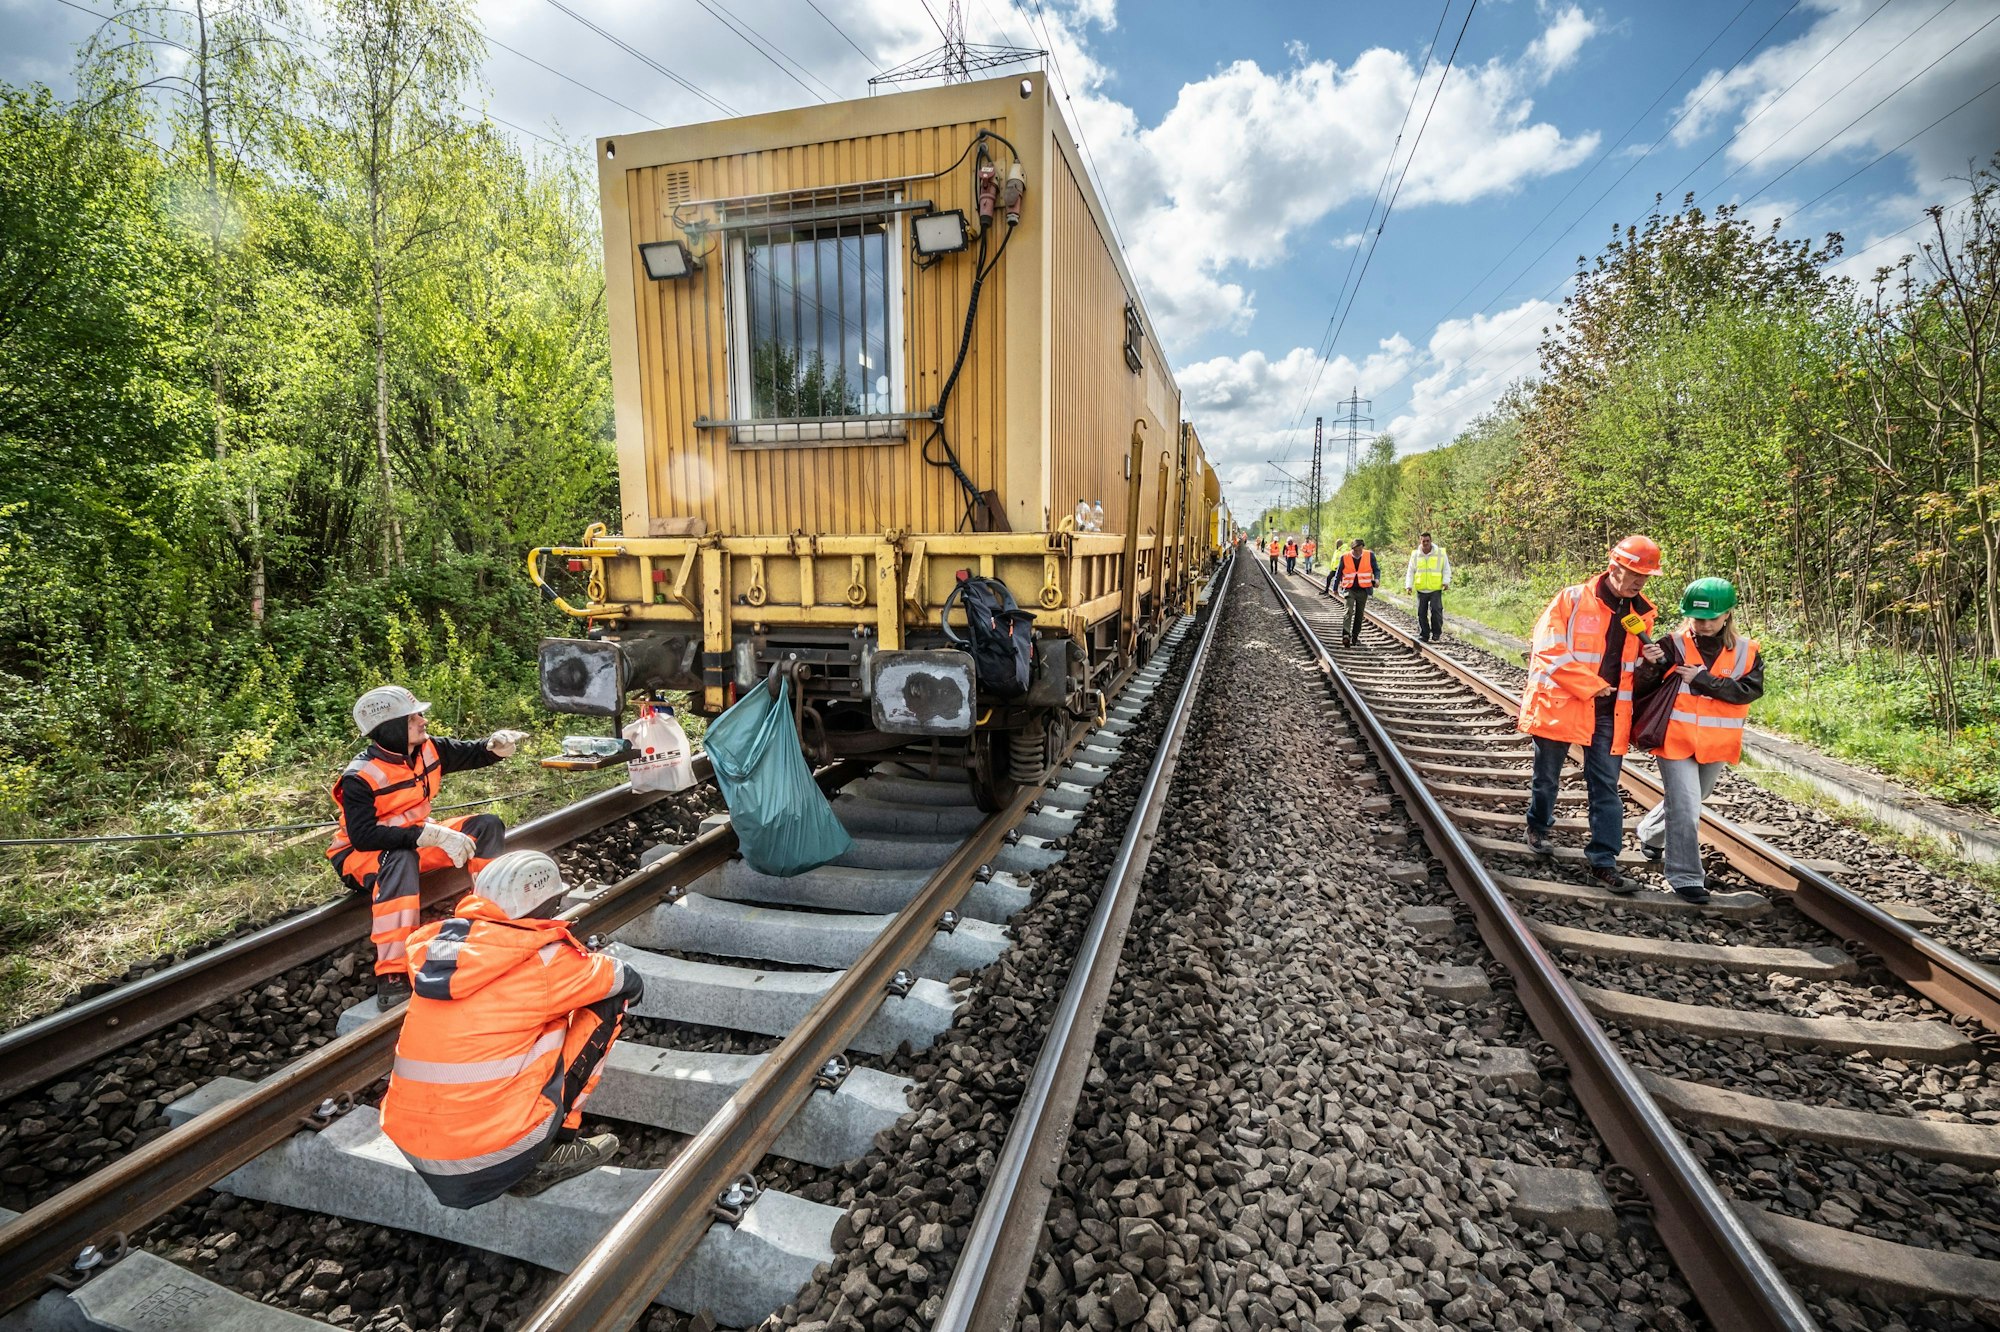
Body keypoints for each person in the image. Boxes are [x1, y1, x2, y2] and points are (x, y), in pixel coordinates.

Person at [380, 851, 643, 1207]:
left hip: (416, 1147)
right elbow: (626, 980)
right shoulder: (546, 962)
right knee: (605, 1001)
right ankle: (557, 1148)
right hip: (488, 1157)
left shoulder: (439, 952)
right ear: (548, 904)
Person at [328, 685, 528, 998]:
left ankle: (490, 920)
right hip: (360, 855)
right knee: (400, 858)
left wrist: (495, 747)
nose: (423, 721)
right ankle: (392, 971)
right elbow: (364, 836)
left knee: (486, 826)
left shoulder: (427, 750)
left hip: (417, 837)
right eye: (413, 718)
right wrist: (427, 835)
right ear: (391, 728)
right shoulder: (360, 777)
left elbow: (472, 752)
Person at [1517, 536, 1663, 894]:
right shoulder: (1571, 599)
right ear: (1614, 568)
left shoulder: (1642, 614)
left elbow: (1633, 671)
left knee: (1606, 787)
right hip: (1563, 704)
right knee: (1547, 777)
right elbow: (1548, 649)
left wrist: (1649, 664)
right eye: (1634, 574)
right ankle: (1538, 826)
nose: (1640, 582)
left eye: (1645, 577)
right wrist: (1590, 685)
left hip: (1610, 713)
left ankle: (1603, 862)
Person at [1632, 578, 1764, 904]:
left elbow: (1749, 691)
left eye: (1711, 618)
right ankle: (1686, 877)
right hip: (1675, 739)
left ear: (1727, 615)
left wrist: (1703, 680)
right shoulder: (1672, 644)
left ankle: (1649, 833)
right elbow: (1642, 688)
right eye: (1696, 618)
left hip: (1716, 743)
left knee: (1696, 797)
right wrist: (1649, 665)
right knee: (1687, 807)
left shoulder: (1746, 651)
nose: (1703, 625)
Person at [1323, 538, 1379, 646]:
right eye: (1356, 550)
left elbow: (1376, 569)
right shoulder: (1345, 557)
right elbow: (1339, 573)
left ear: (1363, 548)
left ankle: (1355, 636)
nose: (1358, 552)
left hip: (1363, 589)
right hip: (1349, 588)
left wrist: (1377, 579)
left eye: (1360, 550)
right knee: (1348, 610)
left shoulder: (1370, 555)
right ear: (1352, 549)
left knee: (1359, 614)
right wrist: (1335, 588)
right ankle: (1346, 635)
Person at [1405, 532, 1452, 643]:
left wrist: (1446, 582)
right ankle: (1424, 634)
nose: (1425, 543)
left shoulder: (1440, 553)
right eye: (1423, 541)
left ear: (1431, 541)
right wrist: (1408, 585)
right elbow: (1410, 571)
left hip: (1435, 588)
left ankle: (1436, 633)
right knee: (1421, 613)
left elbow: (1446, 568)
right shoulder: (1415, 555)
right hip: (1421, 588)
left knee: (1436, 611)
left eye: (1427, 541)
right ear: (1420, 541)